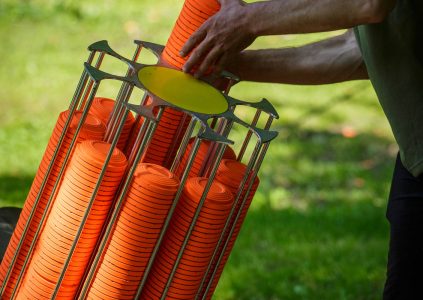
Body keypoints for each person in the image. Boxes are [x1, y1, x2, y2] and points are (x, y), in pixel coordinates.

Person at [180, 0, 423, 299]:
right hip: (416, 157)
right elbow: (360, 52)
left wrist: (247, 21)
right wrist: (228, 67)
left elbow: (369, 4)